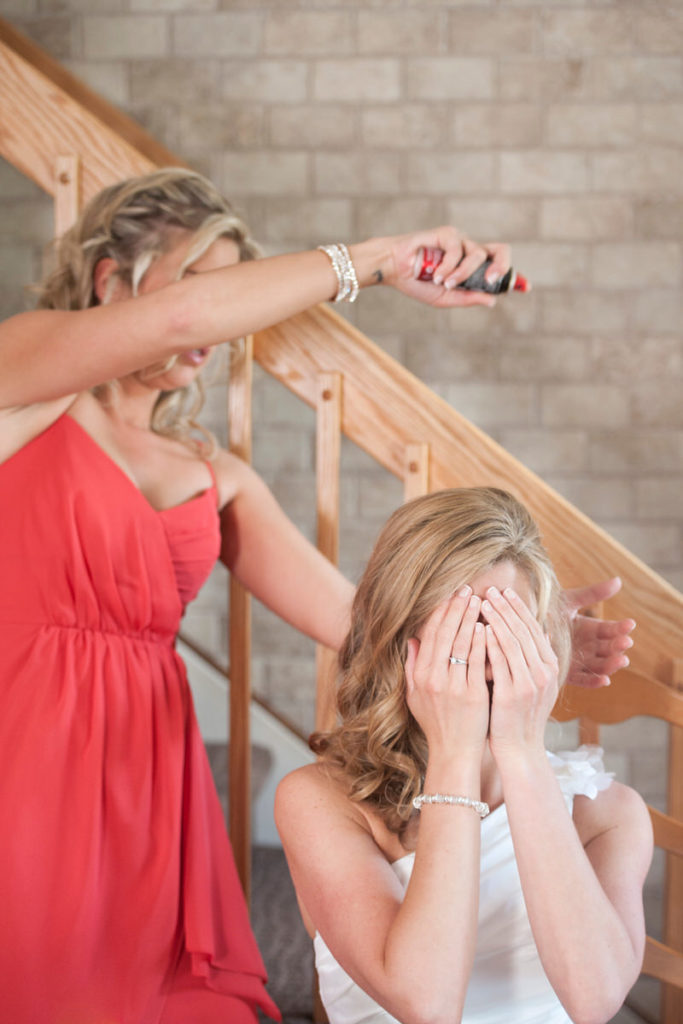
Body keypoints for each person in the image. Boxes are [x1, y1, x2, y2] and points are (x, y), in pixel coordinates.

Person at [0, 167, 633, 1024]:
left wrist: (509, 621)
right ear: (113, 281)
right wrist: (375, 260)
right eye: (203, 283)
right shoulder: (23, 381)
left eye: (234, 291)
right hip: (25, 742)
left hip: (146, 766)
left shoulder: (215, 476)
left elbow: (365, 623)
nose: (213, 322)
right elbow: (183, 319)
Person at [276, 487, 653, 1024]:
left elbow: (592, 1001)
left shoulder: (610, 812)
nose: (483, 655)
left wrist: (521, 752)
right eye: (460, 630)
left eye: (507, 629)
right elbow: (425, 1005)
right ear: (401, 639)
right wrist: (454, 751)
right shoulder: (317, 802)